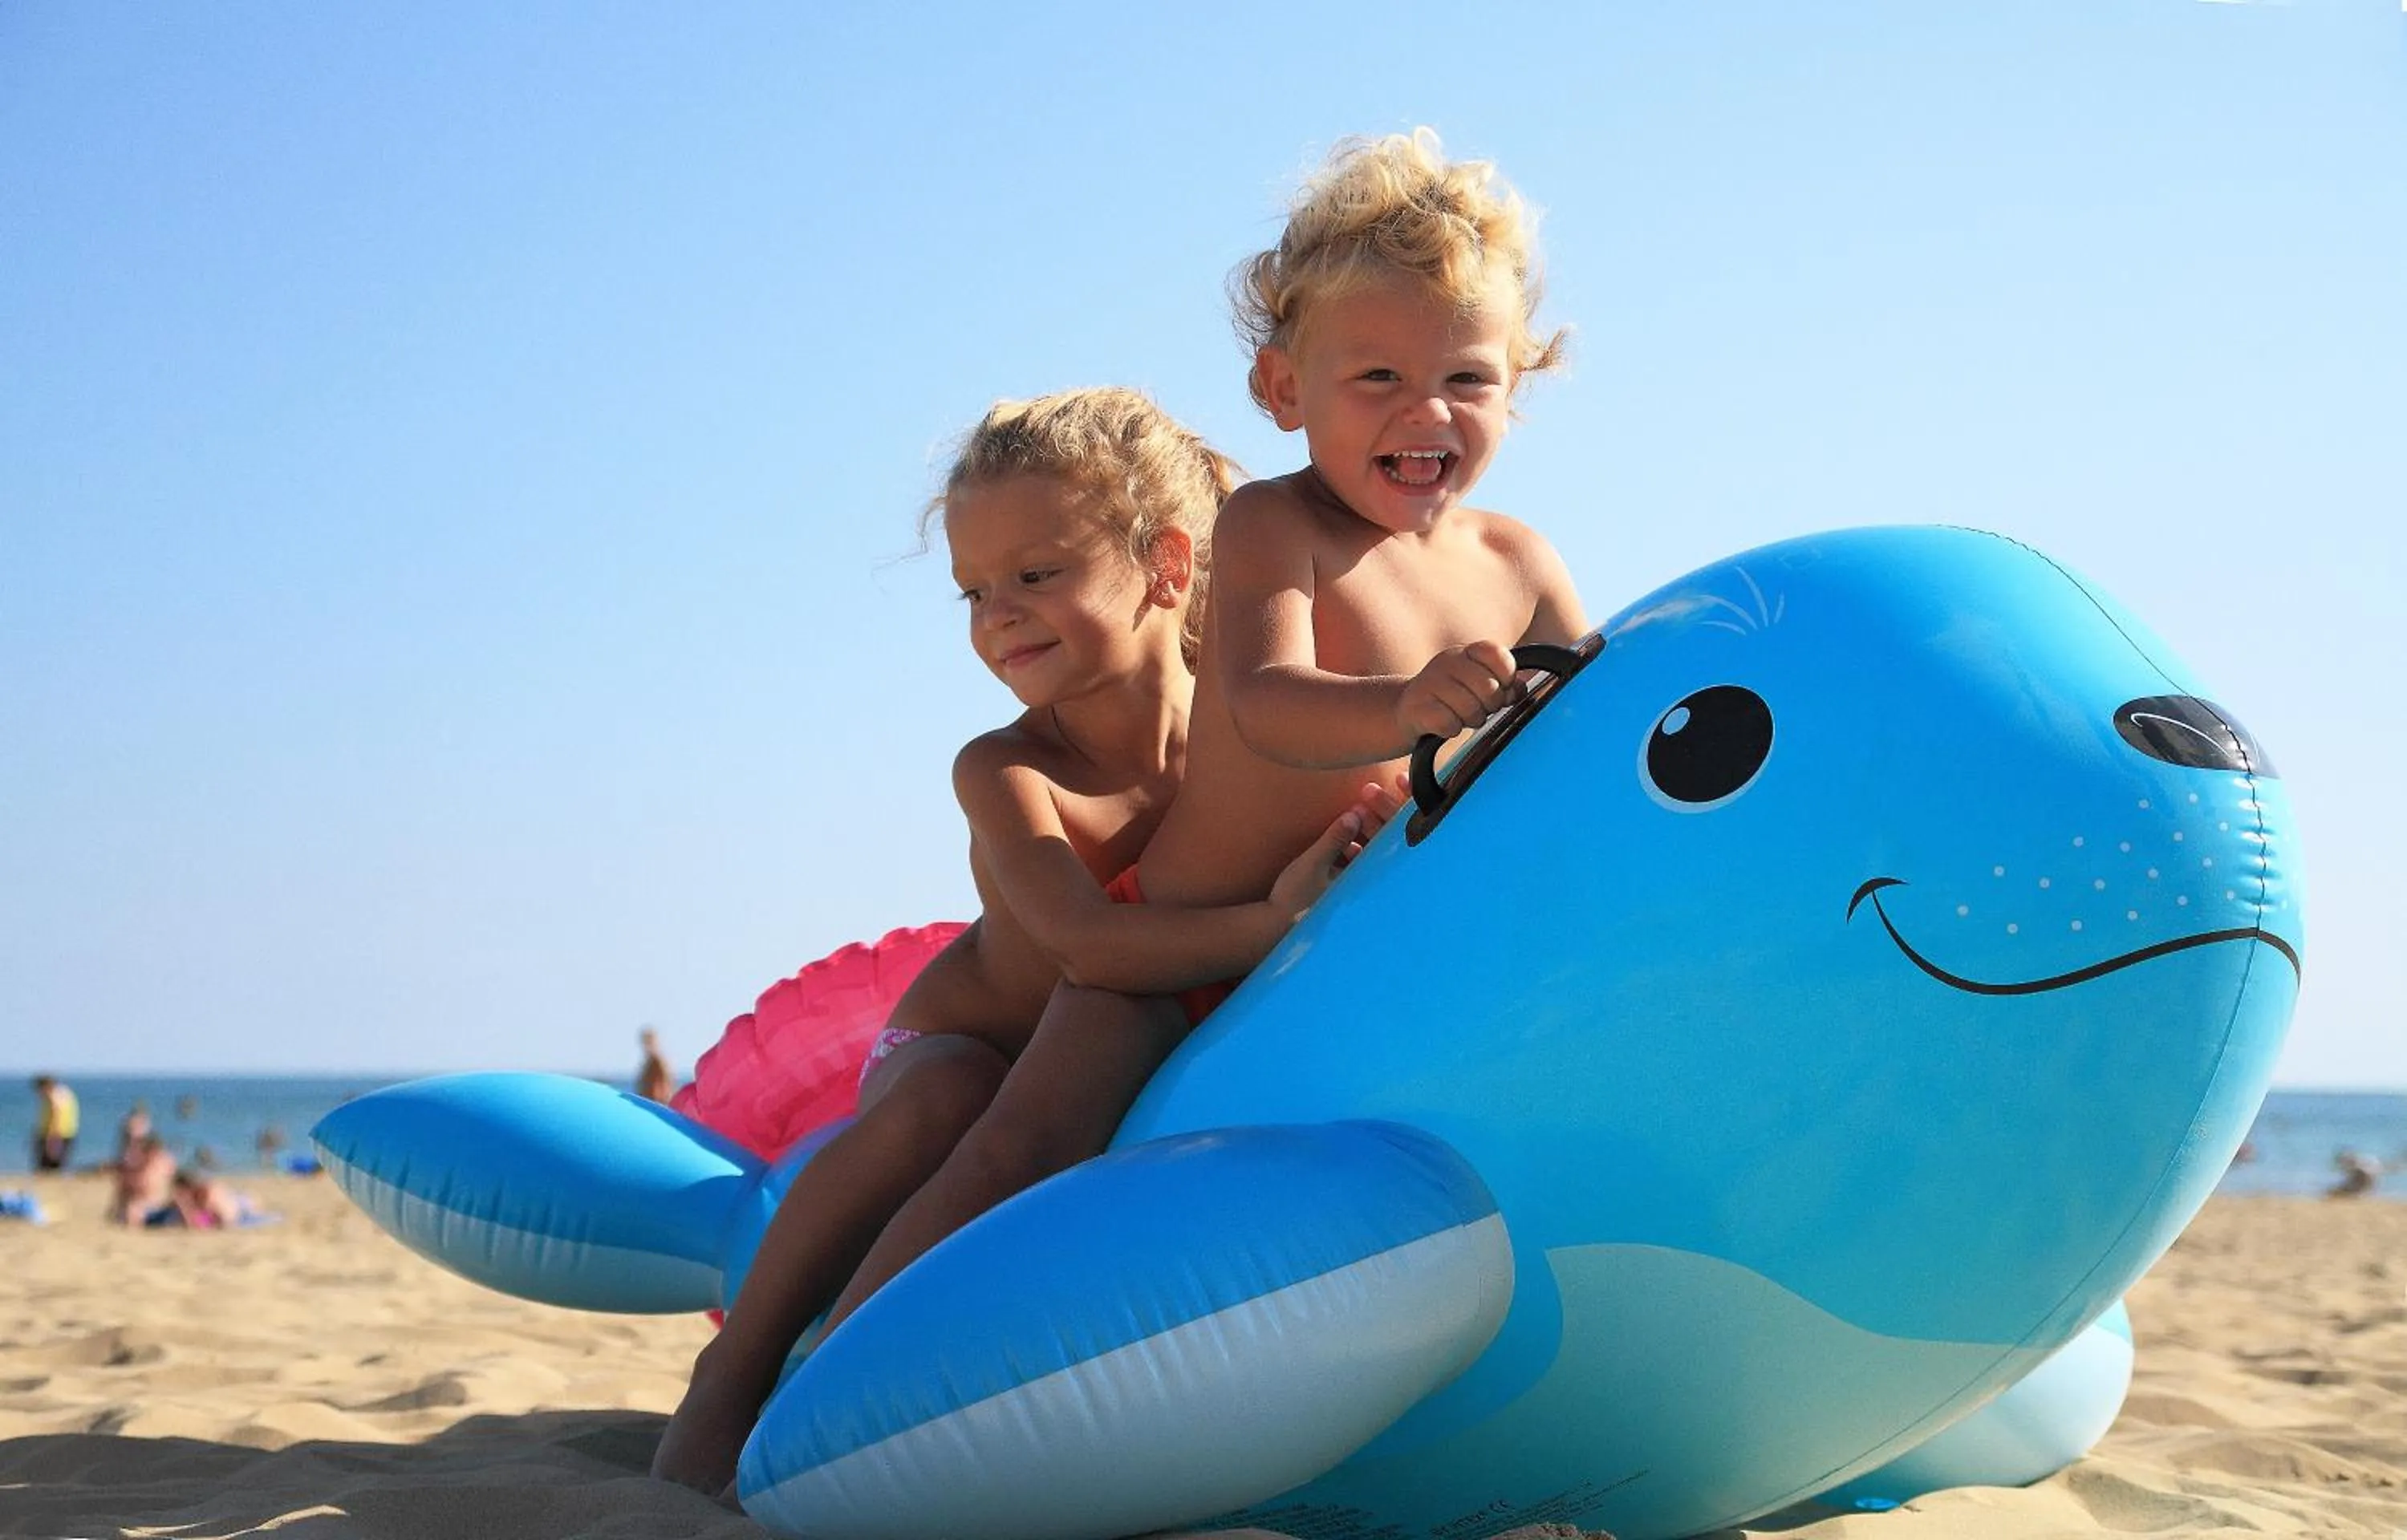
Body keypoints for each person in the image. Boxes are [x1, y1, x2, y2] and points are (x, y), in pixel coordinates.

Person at [794, 127, 1589, 1366]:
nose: (1426, 411)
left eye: (1469, 380)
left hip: (1344, 945)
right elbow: (1267, 696)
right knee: (1020, 1151)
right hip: (1171, 945)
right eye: (1375, 377)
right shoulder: (1279, 524)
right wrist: (1406, 708)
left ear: (1521, 384)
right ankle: (834, 1367)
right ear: (1285, 392)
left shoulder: (1517, 561)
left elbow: (1584, 727)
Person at [651, 387, 1397, 1493]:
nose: (998, 614)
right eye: (974, 590)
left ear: (1167, 566)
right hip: (965, 1043)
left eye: (1036, 575)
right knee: (948, 1102)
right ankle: (742, 1361)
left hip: (1096, 1055)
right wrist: (1277, 923)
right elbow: (1089, 946)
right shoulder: (1007, 769)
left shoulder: (1248, 728)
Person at [110, 1132, 177, 1225]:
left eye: (155, 1150)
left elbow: (176, 1185)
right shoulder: (137, 1168)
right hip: (143, 1208)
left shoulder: (166, 1163)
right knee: (132, 1210)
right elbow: (124, 1191)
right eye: (149, 1150)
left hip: (161, 1206)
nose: (152, 1153)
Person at [29, 1076, 79, 1172]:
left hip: (55, 1135)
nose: (39, 1094)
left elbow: (56, 1116)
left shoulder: (54, 1096)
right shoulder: (65, 1093)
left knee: (48, 1165)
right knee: (55, 1164)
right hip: (66, 1132)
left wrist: (51, 1136)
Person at [635, 1027, 674, 1103]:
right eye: (645, 1042)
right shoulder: (648, 1062)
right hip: (649, 1100)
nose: (647, 1046)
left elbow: (667, 1081)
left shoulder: (658, 1061)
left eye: (649, 1042)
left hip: (657, 1101)